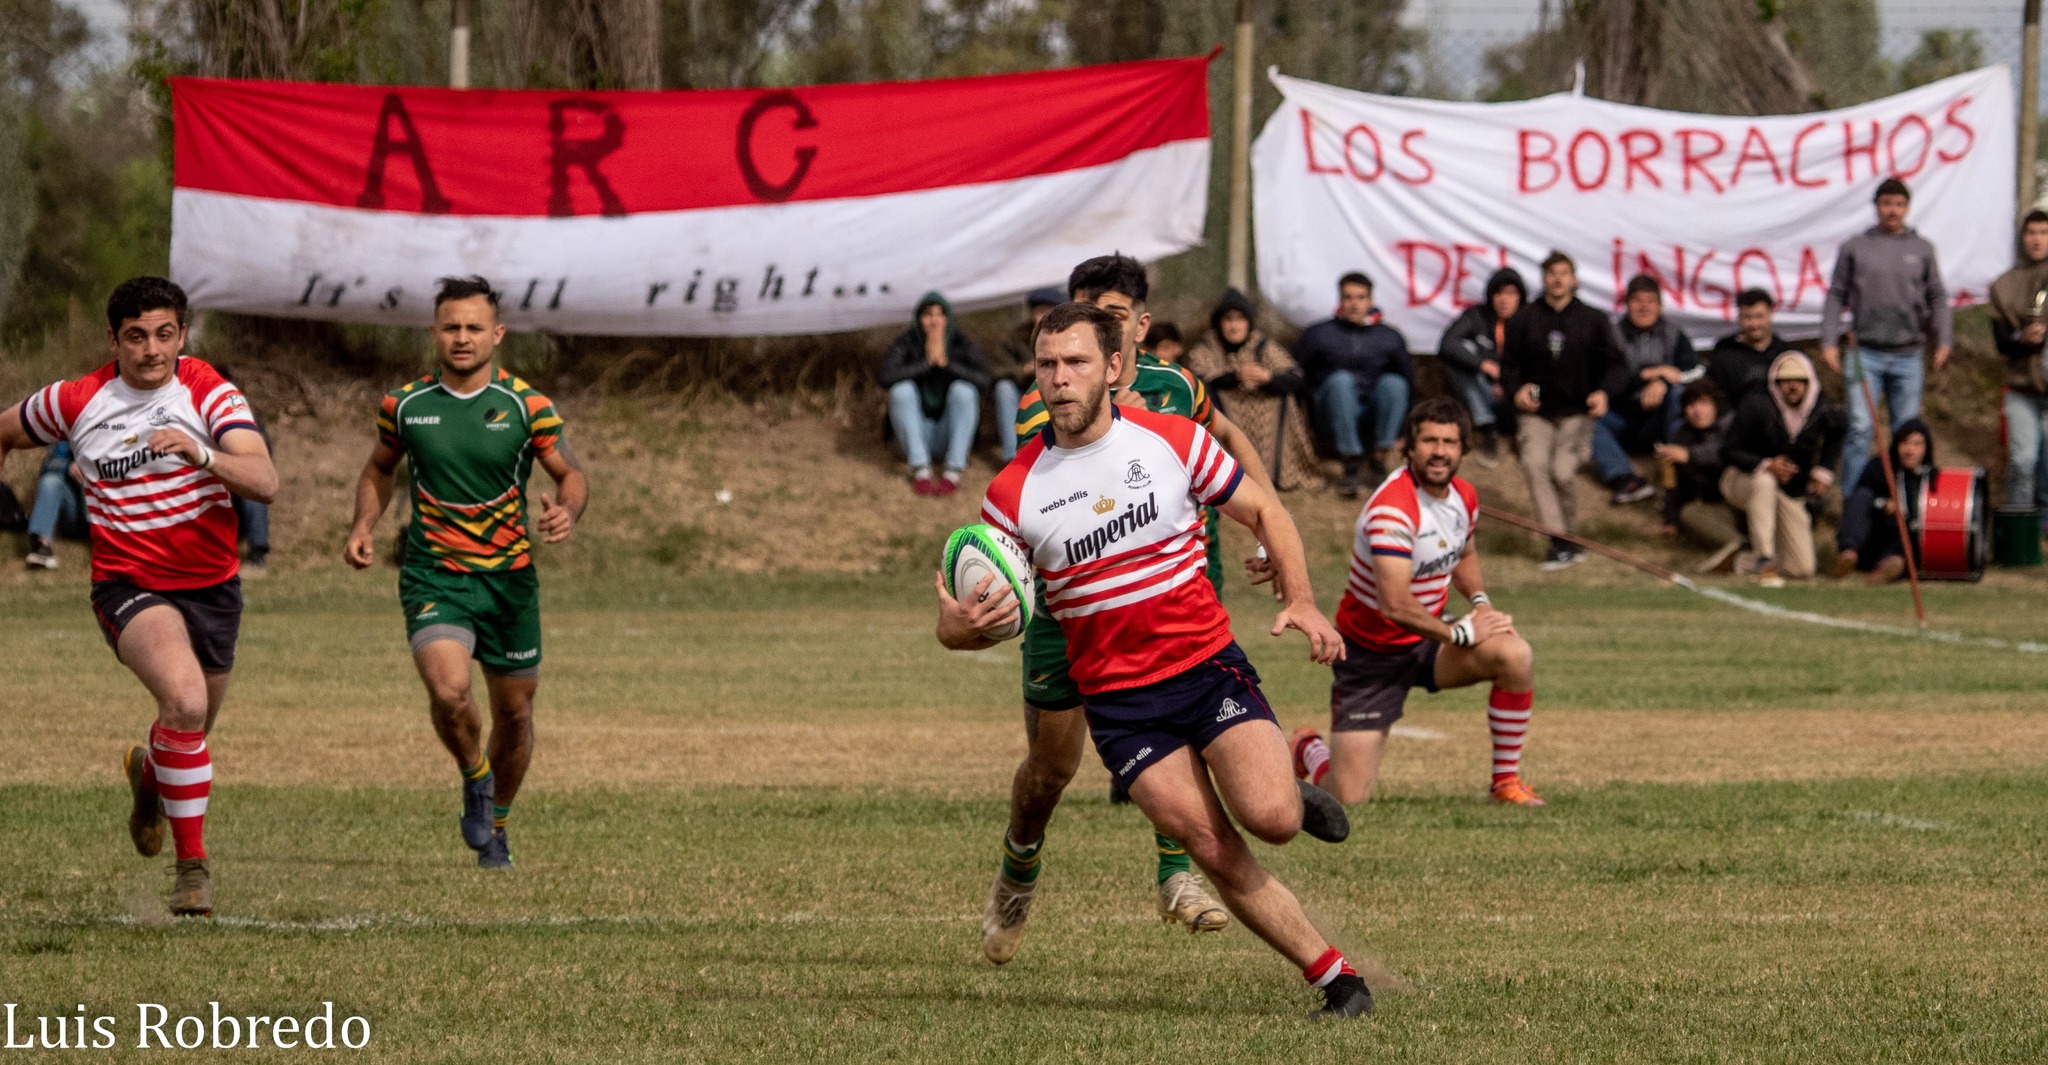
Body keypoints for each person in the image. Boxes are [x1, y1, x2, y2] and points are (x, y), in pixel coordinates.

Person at [940, 300, 1371, 1019]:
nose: (1060, 379)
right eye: (1047, 365)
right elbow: (977, 616)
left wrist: (1300, 597)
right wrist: (960, 626)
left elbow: (1265, 508)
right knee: (1208, 840)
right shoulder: (1014, 492)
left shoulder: (1170, 439)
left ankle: (1291, 774)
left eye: (1075, 362)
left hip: (1206, 669)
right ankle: (1338, 980)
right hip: (1121, 704)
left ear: (1112, 367)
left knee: (1271, 818)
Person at [994, 254, 1282, 962]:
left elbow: (1229, 435)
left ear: (1136, 330)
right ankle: (1019, 866)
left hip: (1170, 590)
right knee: (1049, 772)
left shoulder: (1180, 386)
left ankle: (1177, 875)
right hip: (1071, 611)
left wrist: (1268, 511)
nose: (1087, 340)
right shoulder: (1053, 395)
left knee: (1183, 715)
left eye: (1111, 317)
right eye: (1079, 319)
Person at [0, 276, 277, 917]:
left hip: (212, 588)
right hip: (129, 585)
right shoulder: (76, 399)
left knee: (191, 727)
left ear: (181, 334)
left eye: (164, 335)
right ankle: (192, 872)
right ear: (113, 339)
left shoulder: (209, 391)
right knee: (182, 700)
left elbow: (264, 480)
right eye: (136, 337)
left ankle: (148, 777)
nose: (152, 350)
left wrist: (202, 453)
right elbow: (7, 430)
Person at [343, 276, 589, 870]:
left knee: (515, 714)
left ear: (496, 335)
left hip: (509, 582)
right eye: (451, 326)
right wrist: (362, 526)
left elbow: (571, 475)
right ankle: (474, 775)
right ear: (434, 333)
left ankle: (496, 825)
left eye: (474, 327)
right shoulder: (404, 404)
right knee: (451, 694)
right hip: (435, 576)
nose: (462, 338)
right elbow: (379, 468)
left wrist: (567, 511)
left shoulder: (526, 406)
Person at [1285, 396, 1544, 808]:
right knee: (1346, 798)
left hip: (1428, 638)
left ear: (1462, 450)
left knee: (1514, 654)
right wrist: (1460, 632)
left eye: (1449, 442)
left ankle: (1506, 783)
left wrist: (1480, 603)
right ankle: (1306, 748)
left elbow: (1464, 553)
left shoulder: (1463, 495)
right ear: (1409, 446)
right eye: (1429, 441)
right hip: (1371, 656)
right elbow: (1395, 605)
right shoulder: (1392, 510)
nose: (1439, 451)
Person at [1821, 177, 1952, 494]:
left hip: (1909, 354)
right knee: (1860, 428)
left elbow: (1937, 297)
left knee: (1906, 435)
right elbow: (1836, 295)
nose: (1892, 210)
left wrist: (1945, 339)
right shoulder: (1856, 247)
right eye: (1886, 203)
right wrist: (1828, 341)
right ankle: (1854, 506)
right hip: (1864, 353)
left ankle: (1902, 506)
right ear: (1876, 206)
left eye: (1898, 204)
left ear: (1907, 208)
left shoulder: (1922, 249)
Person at [1500, 251, 1626, 570]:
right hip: (1537, 413)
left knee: (1563, 470)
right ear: (1543, 279)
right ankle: (1559, 540)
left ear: (1574, 279)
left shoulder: (1594, 320)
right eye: (1551, 273)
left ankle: (1569, 539)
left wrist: (1604, 392)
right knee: (1533, 463)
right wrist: (1517, 390)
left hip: (1577, 412)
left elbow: (1616, 365)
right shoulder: (1524, 319)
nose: (1557, 279)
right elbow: (1508, 366)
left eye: (1563, 272)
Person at [1719, 352, 1844, 587]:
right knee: (1764, 482)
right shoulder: (1757, 404)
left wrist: (1823, 471)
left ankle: (1742, 560)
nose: (1793, 386)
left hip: (1788, 490)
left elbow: (1838, 433)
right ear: (1776, 383)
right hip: (1742, 479)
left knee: (1803, 568)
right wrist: (1766, 464)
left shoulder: (1822, 409)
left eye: (1799, 380)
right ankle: (1765, 560)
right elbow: (1729, 450)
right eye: (1786, 381)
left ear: (1809, 382)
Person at [1184, 288, 1323, 490]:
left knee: (1285, 398)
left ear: (1248, 323)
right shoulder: (1208, 346)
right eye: (1228, 320)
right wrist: (1236, 377)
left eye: (1240, 319)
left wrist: (1268, 378)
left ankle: (1277, 473)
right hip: (1224, 408)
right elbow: (1198, 377)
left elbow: (1294, 376)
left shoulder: (1262, 345)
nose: (1234, 326)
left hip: (1265, 404)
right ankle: (1224, 472)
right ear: (1219, 323)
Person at [1296, 272, 1413, 497]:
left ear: (1370, 300)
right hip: (1330, 413)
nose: (1354, 304)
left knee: (1394, 383)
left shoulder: (1390, 337)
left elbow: (1408, 382)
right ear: (1340, 300)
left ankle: (1379, 458)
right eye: (1348, 297)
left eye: (1360, 297)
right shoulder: (1319, 334)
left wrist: (1404, 430)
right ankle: (1350, 464)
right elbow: (1295, 372)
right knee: (1341, 381)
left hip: (1371, 414)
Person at [1595, 275, 1695, 505]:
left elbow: (1696, 370)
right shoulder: (1612, 335)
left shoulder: (1674, 334)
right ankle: (1624, 477)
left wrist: (1664, 382)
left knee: (1678, 395)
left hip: (1659, 421)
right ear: (1627, 303)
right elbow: (1603, 376)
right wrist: (1646, 376)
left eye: (1650, 301)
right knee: (1589, 415)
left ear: (1659, 305)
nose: (1644, 307)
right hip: (1622, 417)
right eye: (1637, 300)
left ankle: (1674, 464)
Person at [877, 291, 990, 495]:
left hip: (949, 434)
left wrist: (947, 365)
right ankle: (921, 470)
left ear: (948, 318)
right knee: (901, 390)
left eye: (940, 314)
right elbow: (885, 377)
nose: (934, 321)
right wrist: (927, 363)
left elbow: (984, 380)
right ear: (919, 319)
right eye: (928, 315)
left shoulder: (960, 343)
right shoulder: (906, 342)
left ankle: (953, 470)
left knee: (964, 390)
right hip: (913, 436)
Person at [1435, 267, 1524, 468]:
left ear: (1520, 297)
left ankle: (1526, 432)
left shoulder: (1529, 320)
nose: (1504, 300)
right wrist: (1483, 365)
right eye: (1499, 293)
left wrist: (1509, 382)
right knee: (1461, 354)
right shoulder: (1476, 316)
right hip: (1484, 390)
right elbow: (1447, 344)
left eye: (1511, 294)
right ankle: (1487, 428)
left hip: (1517, 394)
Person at [1989, 210, 2048, 511]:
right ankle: (2020, 527)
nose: (2037, 239)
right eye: (2031, 233)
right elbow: (2000, 342)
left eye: (2043, 232)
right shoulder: (2004, 285)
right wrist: (2022, 339)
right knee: (2023, 460)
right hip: (2021, 388)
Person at [1653, 380, 1740, 568]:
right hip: (1710, 506)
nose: (1697, 410)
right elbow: (1673, 485)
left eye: (1704, 403)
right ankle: (1737, 546)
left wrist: (1690, 455)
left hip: (1739, 503)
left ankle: (1742, 548)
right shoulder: (1682, 434)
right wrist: (1671, 520)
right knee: (1689, 513)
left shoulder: (1731, 426)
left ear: (1715, 405)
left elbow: (1728, 454)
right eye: (1691, 405)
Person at [1835, 418, 1933, 584]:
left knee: (1905, 539)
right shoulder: (1879, 467)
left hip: (1903, 542)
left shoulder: (1930, 479)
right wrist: (1882, 504)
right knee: (1862, 496)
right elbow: (1862, 498)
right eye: (1905, 443)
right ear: (1896, 444)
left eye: (1917, 445)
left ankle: (1887, 568)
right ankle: (1848, 554)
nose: (1910, 450)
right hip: (1874, 533)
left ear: (1925, 449)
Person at [988, 287, 1064, 462]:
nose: (1044, 317)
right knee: (1003, 388)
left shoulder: (1069, 336)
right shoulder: (1015, 337)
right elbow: (997, 370)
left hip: (1055, 390)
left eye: (1049, 311)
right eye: (1039, 312)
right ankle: (1013, 457)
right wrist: (1024, 370)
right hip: (1022, 392)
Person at [1707, 289, 1797, 414]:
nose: (1754, 324)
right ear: (1739, 317)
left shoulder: (1786, 353)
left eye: (1759, 316)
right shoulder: (1725, 354)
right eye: (1748, 317)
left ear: (1771, 314)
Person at [21, 440, 86, 569]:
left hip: (110, 511)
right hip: (77, 510)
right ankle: (42, 547)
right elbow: (48, 465)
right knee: (50, 481)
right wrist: (68, 466)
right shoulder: (69, 432)